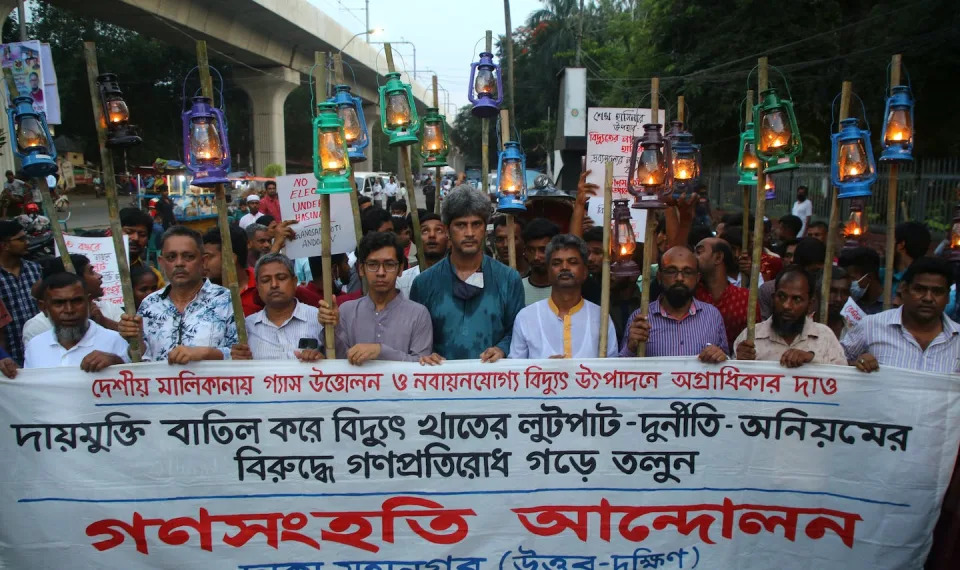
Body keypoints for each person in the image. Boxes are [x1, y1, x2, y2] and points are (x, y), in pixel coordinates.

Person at [410, 185, 523, 362]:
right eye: (461, 225)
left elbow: (517, 332)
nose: (469, 233)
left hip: (492, 382)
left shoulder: (509, 279)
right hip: (440, 382)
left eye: (476, 224)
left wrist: (501, 349)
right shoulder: (424, 283)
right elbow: (415, 338)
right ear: (447, 230)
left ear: (485, 229)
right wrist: (426, 354)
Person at [118, 226, 237, 363]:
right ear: (162, 262)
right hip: (160, 384)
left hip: (210, 384)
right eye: (171, 257)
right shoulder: (149, 304)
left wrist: (206, 353)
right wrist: (135, 340)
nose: (179, 263)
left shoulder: (226, 299)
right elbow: (141, 358)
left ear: (203, 261)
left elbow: (240, 354)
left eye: (188, 257)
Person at [319, 232, 434, 364]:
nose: (381, 273)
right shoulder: (346, 311)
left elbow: (422, 366)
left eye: (389, 265)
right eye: (373, 265)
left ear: (400, 269)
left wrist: (381, 351)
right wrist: (331, 327)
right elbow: (337, 362)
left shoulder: (418, 314)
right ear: (361, 269)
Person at [843, 257, 960, 373]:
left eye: (937, 292)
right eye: (919, 289)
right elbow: (834, 364)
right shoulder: (870, 326)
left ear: (948, 297)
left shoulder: (957, 340)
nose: (928, 298)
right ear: (904, 290)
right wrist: (857, 364)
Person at [510, 234, 617, 359]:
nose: (564, 267)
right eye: (556, 263)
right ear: (548, 272)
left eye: (573, 262)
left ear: (585, 272)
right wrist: (546, 372)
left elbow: (612, 371)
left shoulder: (601, 318)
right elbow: (515, 373)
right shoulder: (526, 317)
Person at [620, 246, 728, 362]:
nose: (679, 278)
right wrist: (631, 348)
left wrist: (720, 356)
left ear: (697, 278)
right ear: (659, 277)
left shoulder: (712, 316)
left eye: (687, 272)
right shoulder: (641, 318)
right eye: (672, 271)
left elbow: (728, 365)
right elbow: (619, 371)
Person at [734, 267, 846, 367]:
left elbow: (843, 381)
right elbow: (728, 380)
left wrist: (812, 359)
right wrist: (739, 362)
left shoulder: (825, 337)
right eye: (782, 296)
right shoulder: (750, 337)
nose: (787, 305)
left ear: (810, 304)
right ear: (773, 298)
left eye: (797, 299)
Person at [23, 272, 129, 371]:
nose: (69, 310)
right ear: (44, 308)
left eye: (77, 301)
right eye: (59, 303)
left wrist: (117, 363)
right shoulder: (35, 346)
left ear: (89, 302)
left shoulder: (115, 342)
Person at [230, 254, 325, 362]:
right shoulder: (247, 327)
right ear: (257, 287)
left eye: (281, 278)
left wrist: (322, 361)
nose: (274, 285)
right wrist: (236, 361)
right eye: (266, 280)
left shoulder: (319, 318)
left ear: (294, 282)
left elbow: (338, 362)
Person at [21, 254, 125, 346]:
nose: (69, 310)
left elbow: (132, 347)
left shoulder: (109, 308)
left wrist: (104, 321)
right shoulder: (37, 327)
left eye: (77, 301)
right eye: (91, 272)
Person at [694, 237, 753, 348]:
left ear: (718, 257)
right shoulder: (691, 294)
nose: (693, 258)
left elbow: (755, 338)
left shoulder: (745, 298)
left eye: (699, 252)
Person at [0, 220, 42, 365]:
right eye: (21, 239)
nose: (27, 242)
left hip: (39, 351)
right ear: (4, 245)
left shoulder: (35, 269)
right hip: (8, 357)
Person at [760, 237, 826, 320]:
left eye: (817, 272)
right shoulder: (769, 290)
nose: (788, 306)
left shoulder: (825, 292)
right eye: (783, 297)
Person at [397, 213, 448, 298]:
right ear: (414, 239)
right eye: (425, 231)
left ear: (449, 237)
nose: (432, 235)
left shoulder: (461, 278)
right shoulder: (401, 281)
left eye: (439, 230)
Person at [120, 207, 165, 288]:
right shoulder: (95, 270)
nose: (135, 238)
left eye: (142, 235)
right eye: (129, 232)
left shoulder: (154, 278)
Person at [521, 218, 561, 306]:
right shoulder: (517, 288)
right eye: (531, 250)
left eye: (543, 250)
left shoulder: (566, 289)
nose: (536, 257)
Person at [838, 247, 884, 315]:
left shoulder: (891, 305)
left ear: (869, 277)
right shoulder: (843, 303)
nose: (847, 283)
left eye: (852, 278)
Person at [890, 221, 932, 296]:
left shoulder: (920, 281)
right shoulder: (881, 275)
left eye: (890, 241)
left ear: (901, 245)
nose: (886, 247)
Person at [826, 266, 852, 340]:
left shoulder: (855, 330)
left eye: (845, 292)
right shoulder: (804, 327)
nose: (838, 299)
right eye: (833, 291)